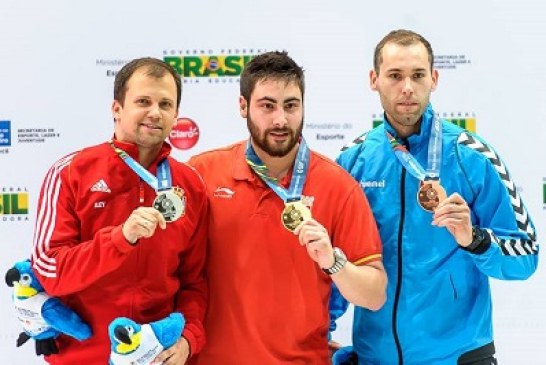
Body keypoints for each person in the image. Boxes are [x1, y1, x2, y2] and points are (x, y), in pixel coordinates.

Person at [334, 29, 539, 364]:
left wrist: (474, 239)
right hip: (375, 357)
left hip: (458, 356)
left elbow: (526, 256)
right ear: (374, 79)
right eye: (395, 76)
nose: (407, 88)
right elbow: (334, 261)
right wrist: (319, 332)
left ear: (434, 78)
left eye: (417, 75)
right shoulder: (352, 162)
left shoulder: (472, 156)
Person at [187, 51, 387, 364]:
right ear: (244, 106)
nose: (280, 119)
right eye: (267, 106)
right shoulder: (202, 173)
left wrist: (333, 261)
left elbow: (374, 295)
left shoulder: (338, 186)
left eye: (291, 105)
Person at [31, 57, 208, 364]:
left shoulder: (189, 185)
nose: (155, 112)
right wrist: (119, 239)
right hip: (82, 357)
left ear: (176, 114)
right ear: (117, 109)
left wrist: (188, 340)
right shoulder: (70, 172)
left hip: (156, 357)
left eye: (165, 104)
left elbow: (195, 282)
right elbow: (50, 272)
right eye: (143, 101)